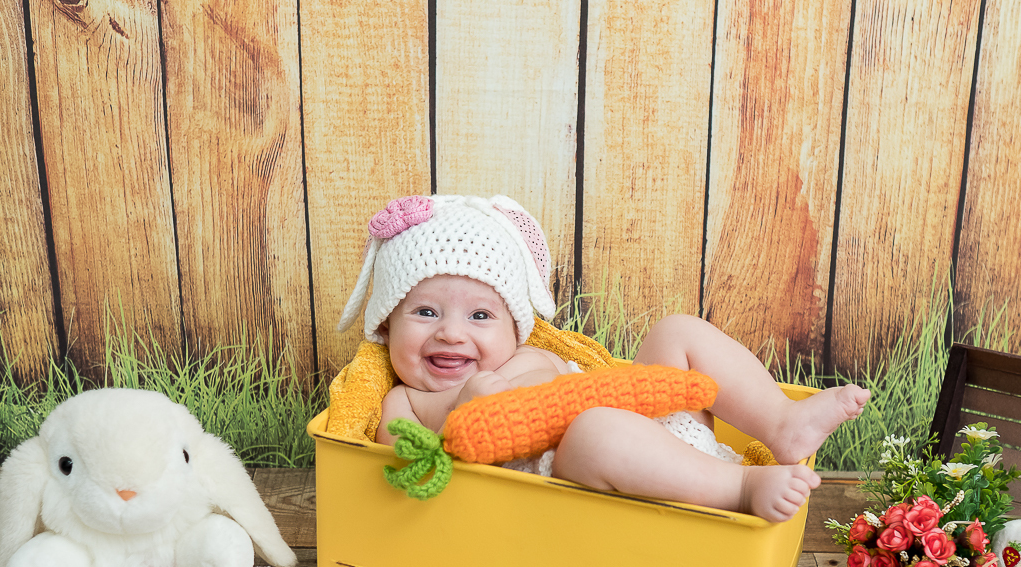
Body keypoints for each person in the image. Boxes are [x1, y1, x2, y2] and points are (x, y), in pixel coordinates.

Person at [338, 194, 869, 522]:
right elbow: (404, 461)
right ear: (387, 323)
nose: (452, 335)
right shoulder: (400, 402)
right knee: (593, 429)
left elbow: (548, 397)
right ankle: (742, 488)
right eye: (426, 312)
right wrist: (462, 416)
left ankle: (780, 423)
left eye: (480, 317)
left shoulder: (526, 358)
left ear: (515, 328)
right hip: (600, 475)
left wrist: (493, 393)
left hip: (664, 433)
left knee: (675, 332)